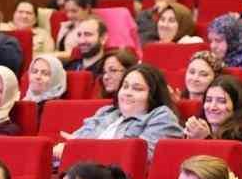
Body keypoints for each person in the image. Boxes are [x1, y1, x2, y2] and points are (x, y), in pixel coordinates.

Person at [52, 63, 184, 162]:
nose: (127, 93)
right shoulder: (106, 113)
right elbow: (73, 143)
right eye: (125, 86)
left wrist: (81, 151)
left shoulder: (162, 117)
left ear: (154, 95)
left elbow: (139, 158)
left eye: (137, 89)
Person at [182, 75, 242, 153]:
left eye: (221, 101)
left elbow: (229, 165)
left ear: (236, 105)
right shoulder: (196, 130)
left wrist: (206, 139)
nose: (213, 107)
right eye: (209, 100)